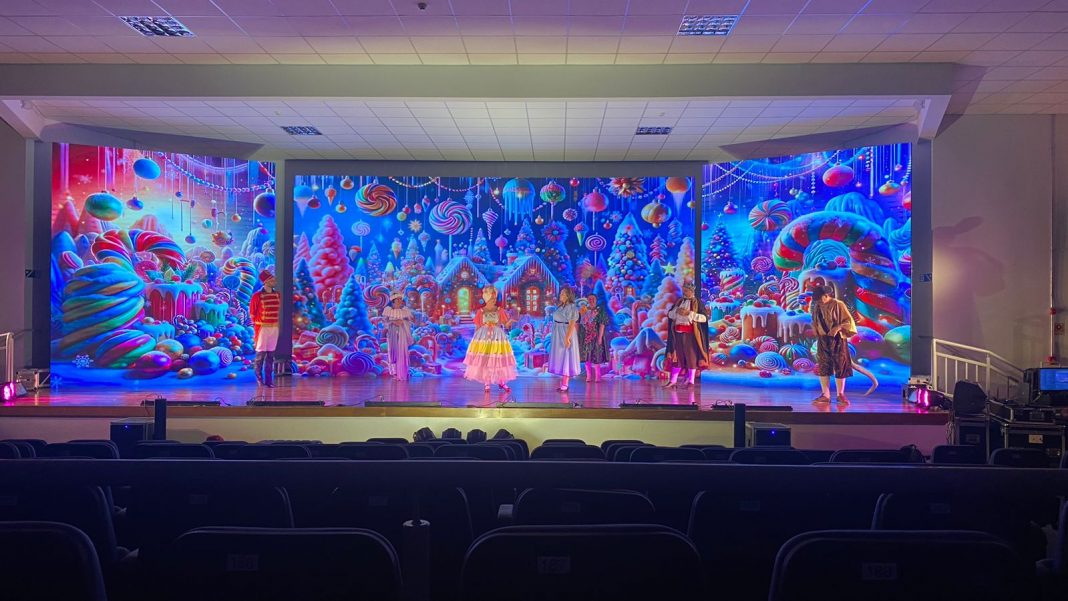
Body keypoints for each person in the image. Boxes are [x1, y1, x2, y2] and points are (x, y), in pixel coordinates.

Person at [463, 286, 518, 392]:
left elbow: (506, 325)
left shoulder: (500, 310)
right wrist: (475, 341)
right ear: (486, 297)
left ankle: (501, 382)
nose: (493, 298)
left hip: (497, 337)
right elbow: (478, 326)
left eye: (494, 296)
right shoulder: (481, 311)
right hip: (484, 336)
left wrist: (511, 320)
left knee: (498, 359)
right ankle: (487, 382)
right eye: (491, 296)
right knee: (486, 359)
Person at [809, 284, 858, 404]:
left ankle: (840, 394)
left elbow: (848, 321)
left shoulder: (838, 304)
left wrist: (837, 328)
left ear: (826, 296)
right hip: (823, 339)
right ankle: (825, 395)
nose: (819, 302)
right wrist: (815, 329)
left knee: (840, 365)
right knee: (824, 366)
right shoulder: (817, 306)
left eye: (820, 299)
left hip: (837, 339)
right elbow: (814, 320)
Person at [664, 281, 710, 388]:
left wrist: (689, 314)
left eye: (686, 291)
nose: (684, 292)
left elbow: (704, 318)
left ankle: (691, 381)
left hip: (691, 335)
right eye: (683, 290)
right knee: (677, 357)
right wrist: (676, 312)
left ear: (691, 291)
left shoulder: (697, 303)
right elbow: (670, 315)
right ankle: (673, 381)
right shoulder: (679, 302)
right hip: (677, 334)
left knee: (691, 357)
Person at [249, 270, 280, 387]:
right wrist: (258, 326)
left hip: (274, 328)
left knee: (271, 355)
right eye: (272, 280)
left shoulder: (277, 295)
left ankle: (269, 380)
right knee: (260, 355)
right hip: (262, 328)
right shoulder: (257, 296)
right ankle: (259, 378)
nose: (274, 281)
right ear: (265, 282)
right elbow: (252, 313)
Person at [548, 287, 582, 391]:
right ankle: (563, 382)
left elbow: (572, 323)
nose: (560, 295)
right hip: (558, 331)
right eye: (561, 293)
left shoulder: (571, 307)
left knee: (566, 356)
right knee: (561, 356)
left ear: (568, 296)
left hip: (565, 331)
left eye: (563, 294)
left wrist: (567, 338)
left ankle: (565, 383)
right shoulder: (561, 306)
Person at [579, 293, 611, 382]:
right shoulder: (584, 310)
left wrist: (600, 337)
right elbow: (581, 323)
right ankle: (588, 375)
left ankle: (598, 375)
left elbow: (602, 324)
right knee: (587, 356)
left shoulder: (600, 310)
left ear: (596, 300)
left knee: (597, 355)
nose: (591, 301)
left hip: (596, 335)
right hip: (586, 336)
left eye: (593, 299)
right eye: (589, 299)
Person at [383, 291, 414, 381]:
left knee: (402, 351)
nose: (400, 301)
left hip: (402, 332)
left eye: (401, 299)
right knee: (393, 351)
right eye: (398, 299)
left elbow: (410, 321)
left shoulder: (405, 310)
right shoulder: (388, 310)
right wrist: (393, 322)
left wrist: (403, 322)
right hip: (392, 332)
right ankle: (394, 372)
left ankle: (403, 372)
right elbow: (385, 322)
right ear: (393, 300)